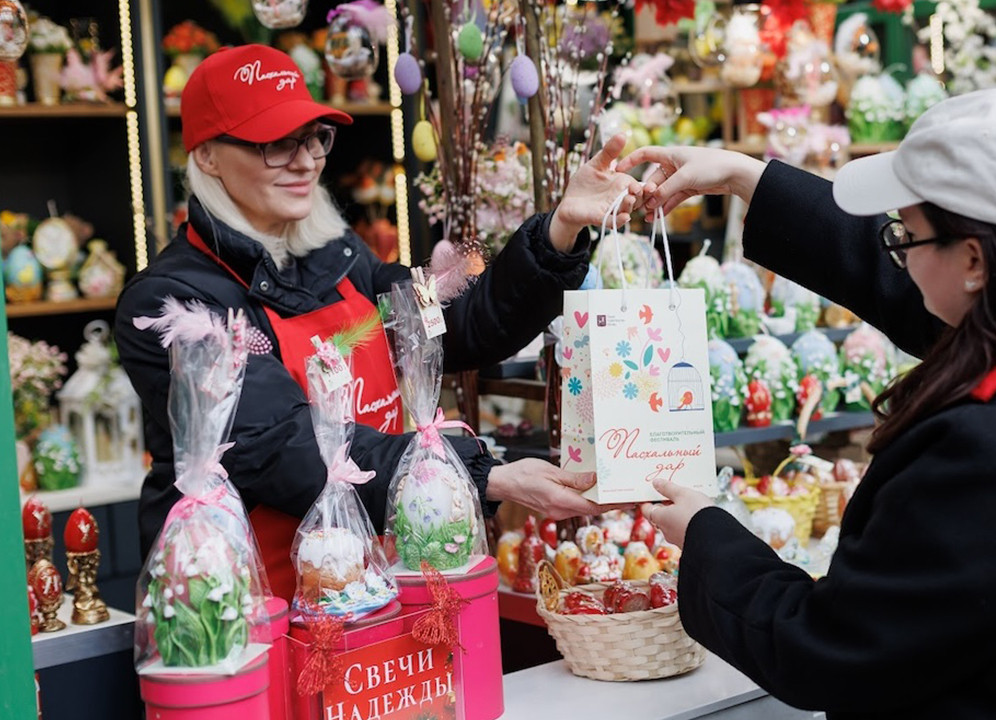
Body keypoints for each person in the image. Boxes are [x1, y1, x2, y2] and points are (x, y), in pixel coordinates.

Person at [626, 88, 996, 718]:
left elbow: (832, 651)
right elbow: (925, 296)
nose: (897, 255)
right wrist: (747, 178)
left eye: (905, 235)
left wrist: (708, 535)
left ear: (973, 260)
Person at [115, 44, 642, 598]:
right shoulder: (172, 303)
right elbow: (284, 446)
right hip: (247, 614)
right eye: (274, 143)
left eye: (314, 137)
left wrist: (559, 229)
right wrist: (480, 475)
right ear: (206, 156)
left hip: (373, 590)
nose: (305, 161)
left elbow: (457, 326)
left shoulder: (343, 260)